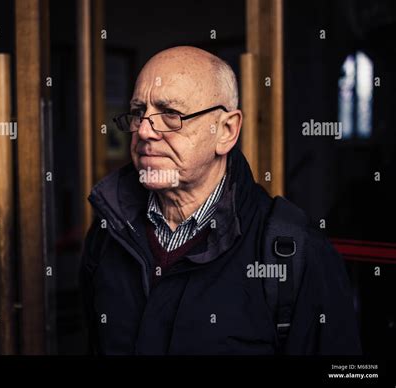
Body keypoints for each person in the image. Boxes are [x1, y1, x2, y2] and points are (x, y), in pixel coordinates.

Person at [79, 46, 361, 355]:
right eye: (137, 113)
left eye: (171, 114)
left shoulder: (295, 254)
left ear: (226, 131)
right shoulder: (108, 232)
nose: (145, 130)